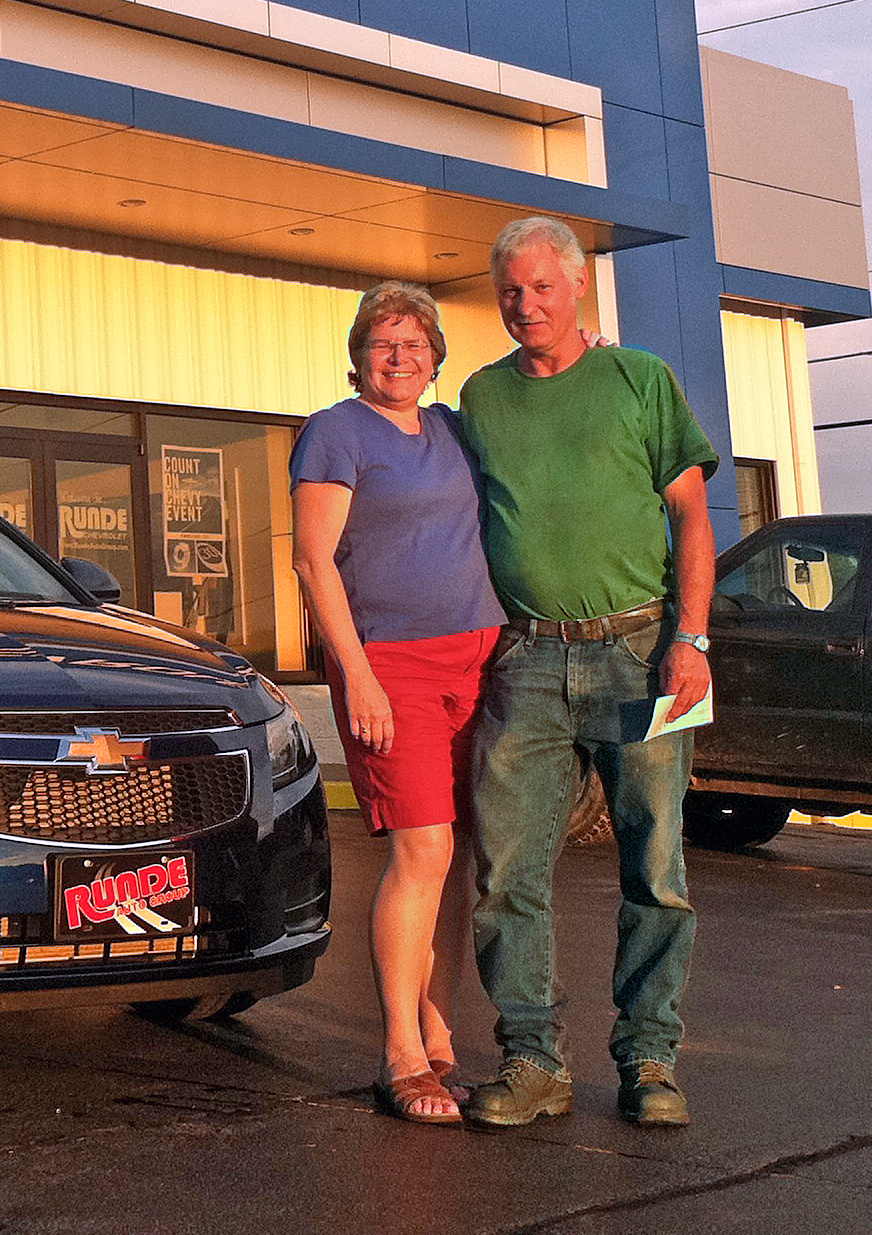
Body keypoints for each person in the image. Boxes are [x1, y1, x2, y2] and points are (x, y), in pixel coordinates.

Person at [456, 215, 718, 1132]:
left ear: (579, 292)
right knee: (504, 872)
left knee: (656, 865)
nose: (525, 305)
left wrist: (694, 640)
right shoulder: (480, 398)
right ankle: (533, 1062)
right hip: (525, 658)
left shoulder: (640, 379)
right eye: (510, 292)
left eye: (541, 287)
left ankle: (650, 1058)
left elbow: (692, 518)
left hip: (641, 652)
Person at [290, 281, 506, 1126]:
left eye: (415, 343)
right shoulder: (336, 431)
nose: (399, 356)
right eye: (384, 342)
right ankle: (400, 1056)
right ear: (358, 353)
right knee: (420, 852)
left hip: (480, 658)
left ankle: (442, 1039)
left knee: (455, 854)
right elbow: (314, 563)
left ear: (436, 355)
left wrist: (592, 357)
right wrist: (361, 676)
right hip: (392, 667)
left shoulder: (452, 427)